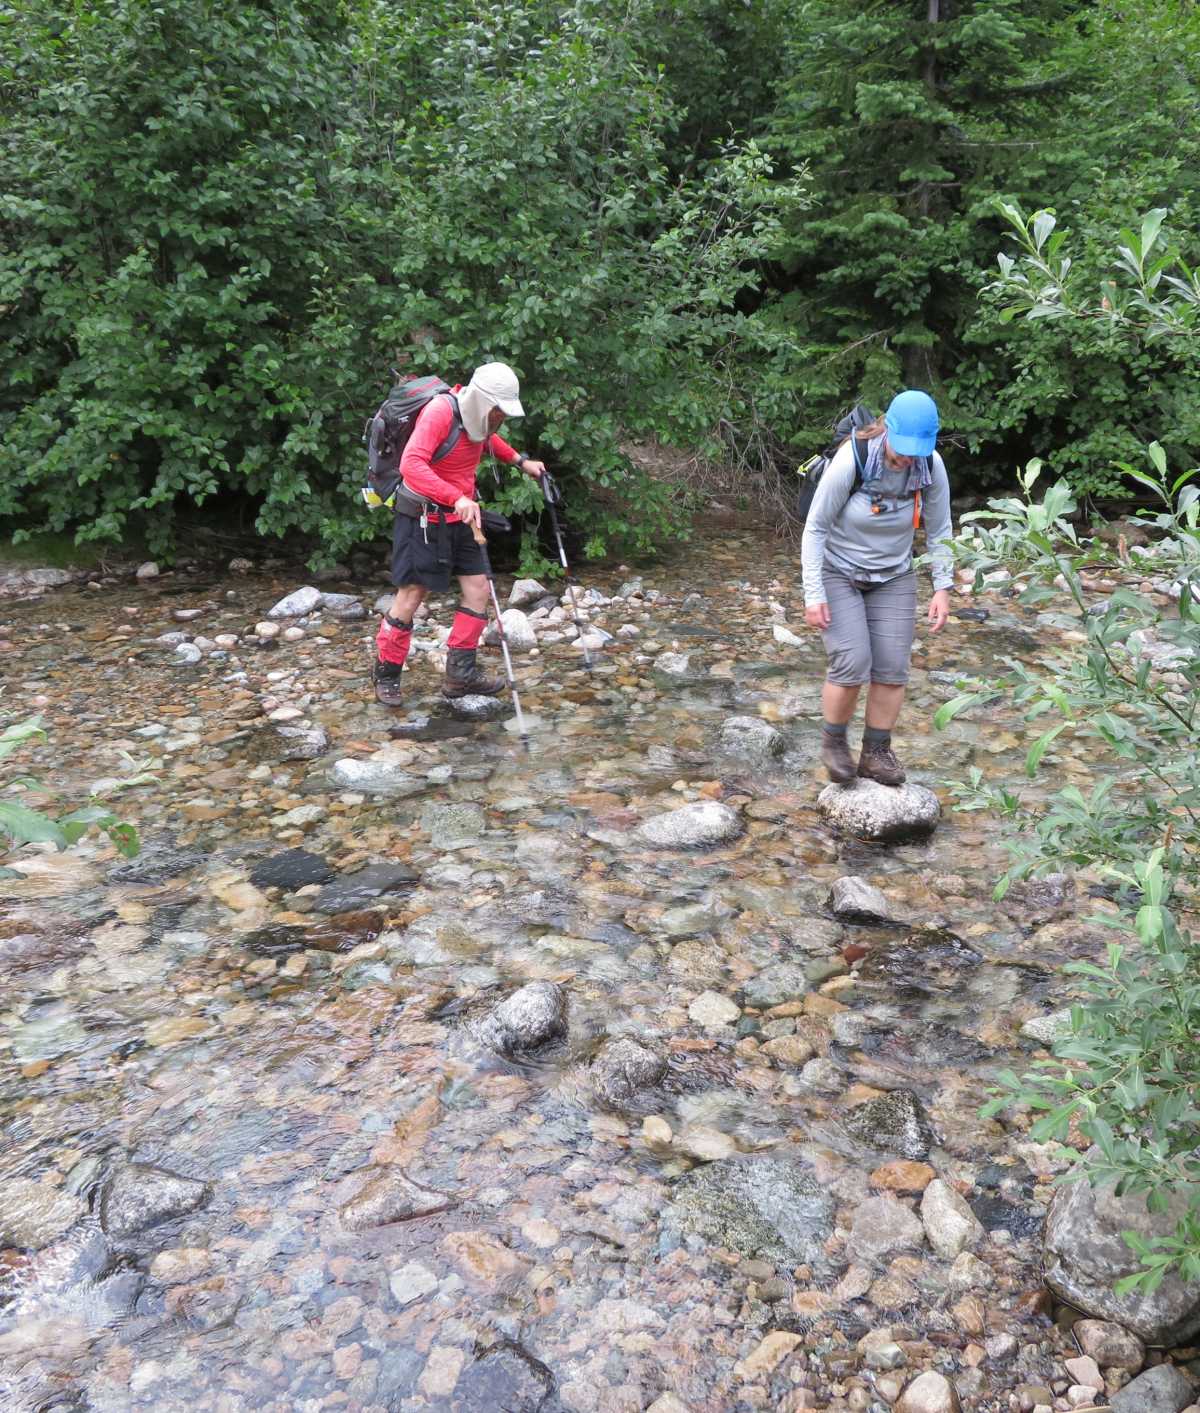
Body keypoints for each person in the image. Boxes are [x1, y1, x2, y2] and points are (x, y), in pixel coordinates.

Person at [800, 389, 953, 786]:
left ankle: (876, 752)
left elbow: (940, 530)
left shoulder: (931, 467)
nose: (907, 458)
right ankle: (834, 744)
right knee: (851, 663)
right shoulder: (855, 457)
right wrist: (813, 593)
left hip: (894, 575)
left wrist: (943, 586)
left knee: (891, 668)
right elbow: (815, 528)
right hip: (839, 571)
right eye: (903, 448)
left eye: (916, 450)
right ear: (888, 429)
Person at [372, 362, 546, 707]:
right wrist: (456, 497)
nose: (501, 417)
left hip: (461, 516)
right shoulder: (440, 412)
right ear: (482, 400)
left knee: (478, 588)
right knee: (411, 595)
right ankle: (386, 673)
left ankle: (459, 676)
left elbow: (485, 440)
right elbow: (412, 465)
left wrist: (519, 461)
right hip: (422, 517)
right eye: (498, 409)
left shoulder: (478, 420)